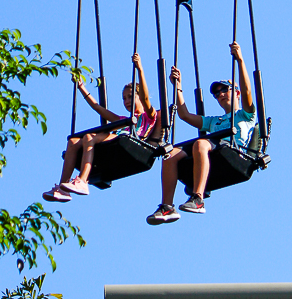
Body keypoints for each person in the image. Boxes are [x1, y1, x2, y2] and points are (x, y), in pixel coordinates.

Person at [146, 42, 256, 224]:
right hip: (213, 149)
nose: (220, 94)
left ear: (236, 92)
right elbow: (184, 115)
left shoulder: (245, 115)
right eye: (216, 93)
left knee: (201, 142)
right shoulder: (214, 121)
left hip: (232, 150)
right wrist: (177, 86)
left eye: (224, 90)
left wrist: (240, 61)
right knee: (169, 154)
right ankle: (167, 207)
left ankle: (198, 199)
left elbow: (247, 91)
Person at [43, 53, 158, 202]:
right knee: (72, 142)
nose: (127, 101)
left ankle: (83, 181)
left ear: (139, 96)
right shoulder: (122, 120)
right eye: (124, 98)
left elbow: (145, 98)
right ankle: (63, 188)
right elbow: (98, 108)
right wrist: (81, 87)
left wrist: (140, 69)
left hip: (129, 143)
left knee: (89, 137)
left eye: (130, 97)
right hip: (116, 142)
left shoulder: (149, 115)